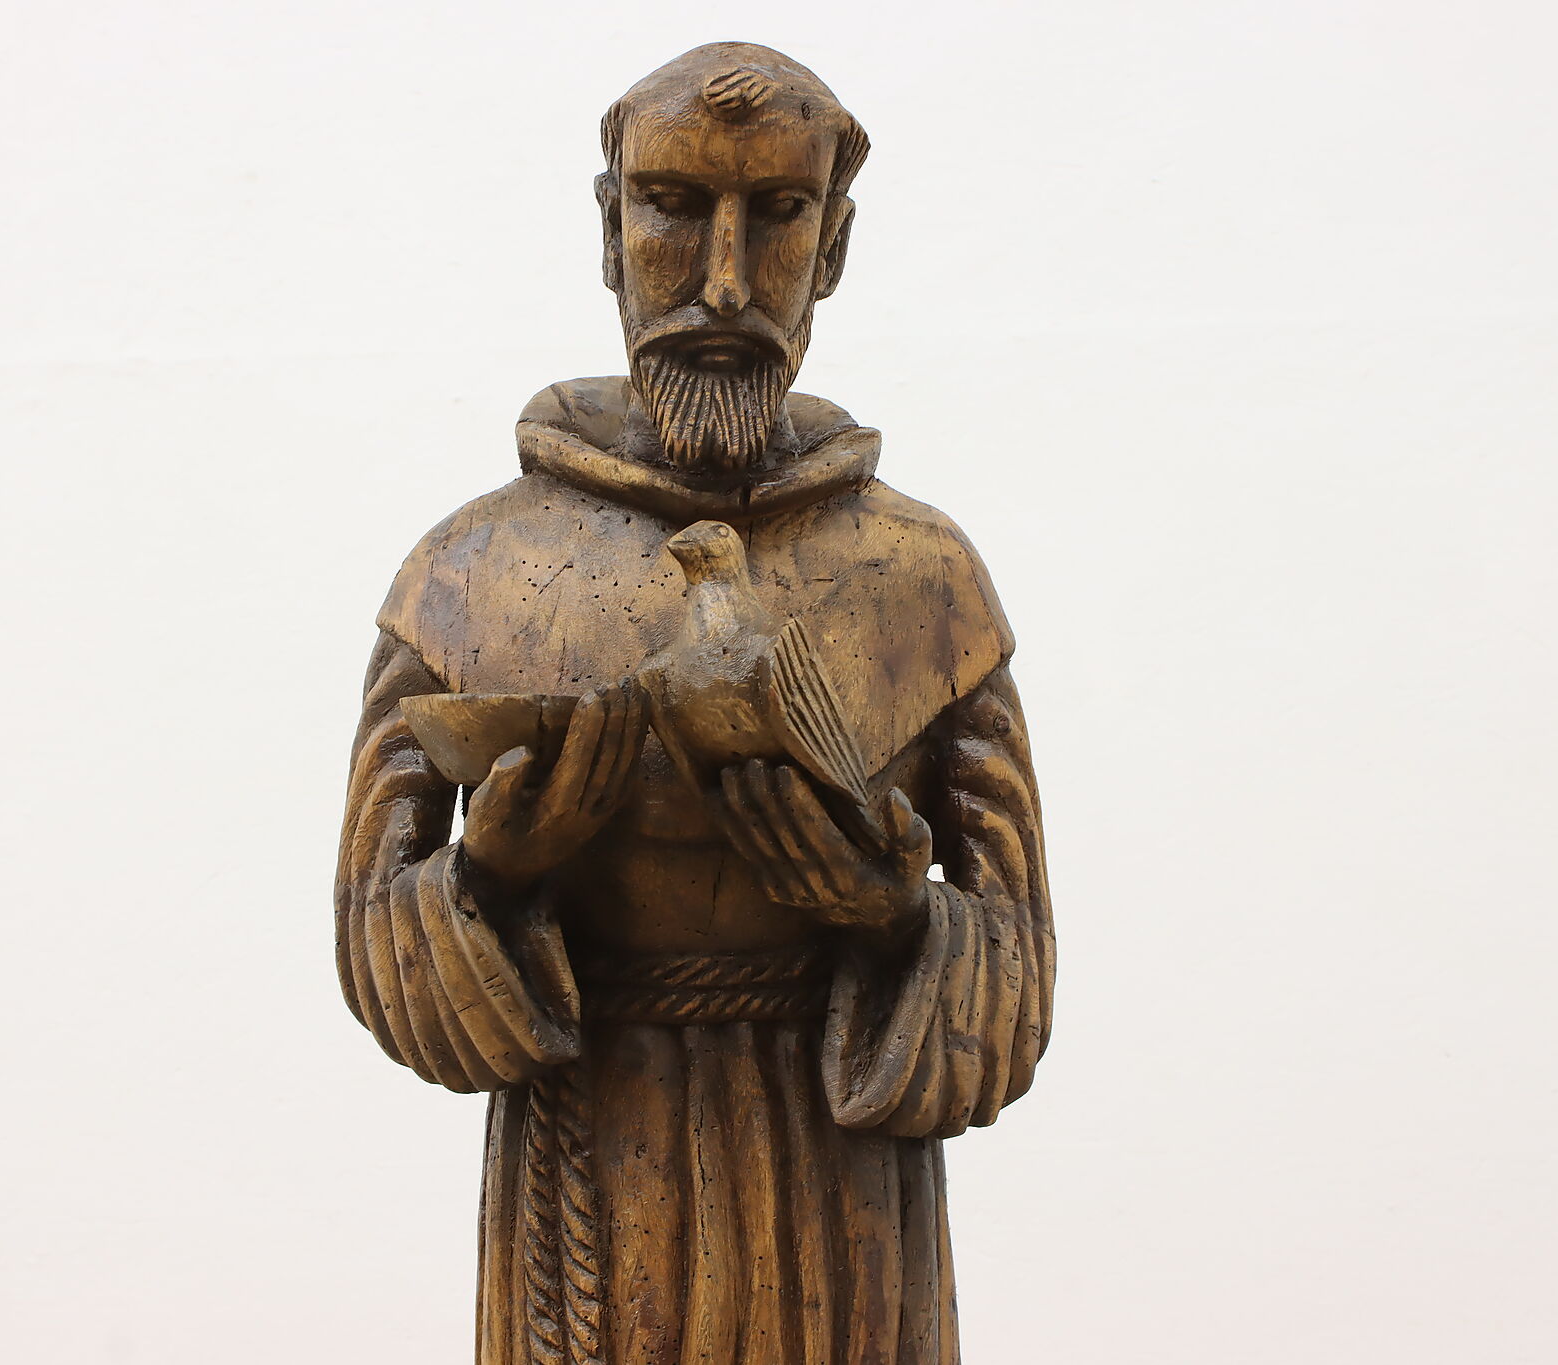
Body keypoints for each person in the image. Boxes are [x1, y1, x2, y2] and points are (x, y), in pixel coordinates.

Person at [335, 42, 1053, 1365]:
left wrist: (892, 913)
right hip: (586, 1177)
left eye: (777, 214)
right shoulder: (471, 571)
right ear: (609, 231)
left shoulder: (922, 578)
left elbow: (1016, 968)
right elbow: (376, 933)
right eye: (672, 207)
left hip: (845, 1203)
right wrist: (492, 874)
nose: (724, 279)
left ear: (833, 246)